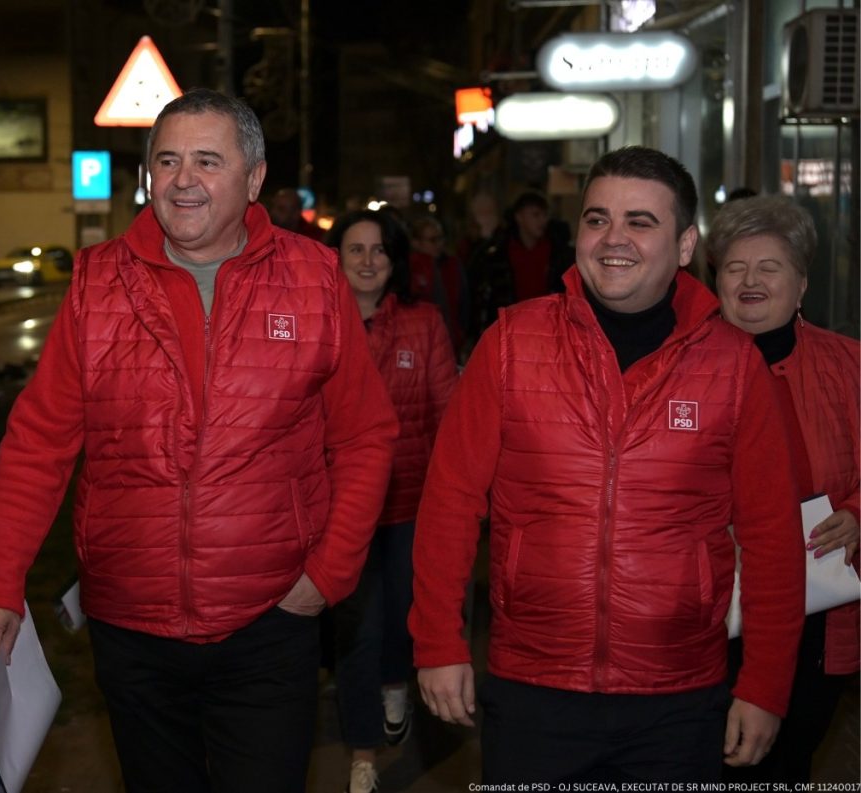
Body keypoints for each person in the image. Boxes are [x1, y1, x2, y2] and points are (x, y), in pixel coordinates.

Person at [0, 88, 398, 793]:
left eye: (206, 161)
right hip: (131, 630)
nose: (182, 180)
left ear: (254, 178)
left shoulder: (315, 279)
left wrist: (328, 574)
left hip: (270, 620)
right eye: (166, 161)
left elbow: (366, 436)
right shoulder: (97, 282)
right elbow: (39, 443)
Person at [409, 146, 806, 783]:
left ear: (685, 246)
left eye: (640, 222)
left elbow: (772, 536)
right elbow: (450, 501)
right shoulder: (510, 345)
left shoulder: (734, 367)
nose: (613, 238)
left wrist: (765, 685)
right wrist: (437, 641)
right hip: (534, 687)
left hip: (679, 699)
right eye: (597, 219)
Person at [709, 194, 860, 783]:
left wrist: (857, 513)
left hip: (817, 603)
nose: (750, 281)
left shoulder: (847, 365)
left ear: (801, 285)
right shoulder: (683, 364)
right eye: (735, 267)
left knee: (787, 761)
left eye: (768, 268)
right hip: (709, 605)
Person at [326, 210, 459, 793]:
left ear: (395, 260)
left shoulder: (423, 323)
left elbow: (448, 410)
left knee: (403, 614)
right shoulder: (318, 321)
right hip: (341, 509)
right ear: (336, 258)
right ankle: (362, 754)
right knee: (357, 630)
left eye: (378, 250)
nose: (367, 260)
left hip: (410, 503)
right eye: (354, 249)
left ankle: (396, 683)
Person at [467, 190, 574, 339]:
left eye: (545, 215)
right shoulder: (498, 254)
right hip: (509, 330)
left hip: (550, 330)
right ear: (519, 217)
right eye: (535, 215)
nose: (542, 220)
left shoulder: (558, 252)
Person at [408, 215, 468, 357]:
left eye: (440, 238)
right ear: (416, 243)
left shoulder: (452, 265)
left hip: (451, 339)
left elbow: (464, 301)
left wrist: (462, 332)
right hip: (420, 342)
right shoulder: (410, 268)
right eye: (432, 240)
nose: (439, 244)